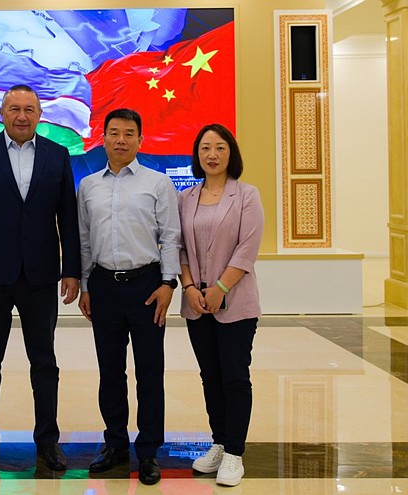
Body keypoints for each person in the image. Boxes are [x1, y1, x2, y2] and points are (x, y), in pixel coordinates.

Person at [0, 84, 81, 475]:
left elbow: (68, 217)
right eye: (14, 109)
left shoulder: (58, 155)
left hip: (40, 274)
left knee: (44, 361)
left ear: (40, 114)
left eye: (29, 109)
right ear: (2, 113)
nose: (22, 116)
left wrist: (72, 270)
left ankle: (48, 440)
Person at [76, 108, 181, 486]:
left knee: (150, 372)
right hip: (104, 286)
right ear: (103, 138)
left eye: (129, 133)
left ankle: (149, 450)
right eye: (114, 133)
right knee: (110, 371)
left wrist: (168, 283)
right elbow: (84, 240)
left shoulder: (158, 183)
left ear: (140, 139)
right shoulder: (88, 186)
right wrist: (86, 286)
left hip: (147, 286)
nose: (121, 140)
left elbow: (171, 236)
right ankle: (115, 444)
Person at [178, 124, 263, 487]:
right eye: (205, 148)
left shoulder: (246, 195)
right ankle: (219, 442)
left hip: (236, 303)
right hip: (196, 303)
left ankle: (234, 453)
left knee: (234, 376)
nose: (212, 154)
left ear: (231, 153)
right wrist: (189, 287)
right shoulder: (185, 198)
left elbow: (247, 247)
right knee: (210, 376)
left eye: (220, 148)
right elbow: (179, 248)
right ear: (197, 155)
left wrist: (221, 288)